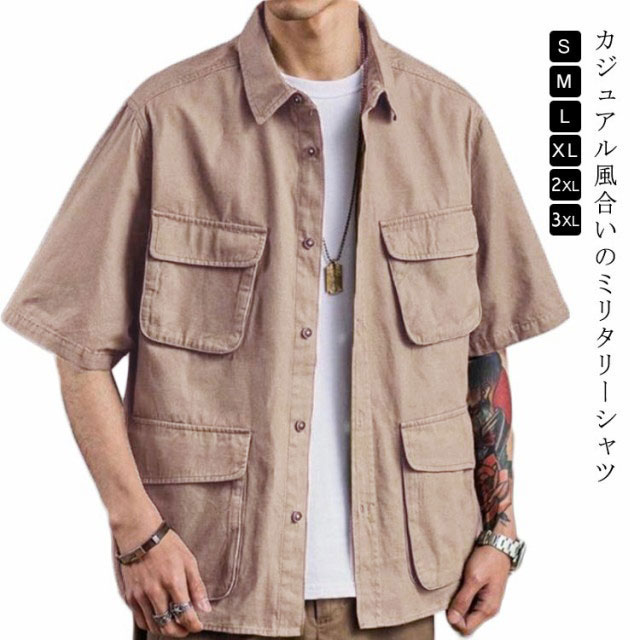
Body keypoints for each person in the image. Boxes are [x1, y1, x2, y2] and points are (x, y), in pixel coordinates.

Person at [1, 1, 570, 638]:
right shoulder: (167, 117)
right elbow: (78, 345)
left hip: (399, 595)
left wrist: (501, 529)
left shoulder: (449, 122)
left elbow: (482, 347)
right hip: (208, 593)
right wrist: (136, 532)